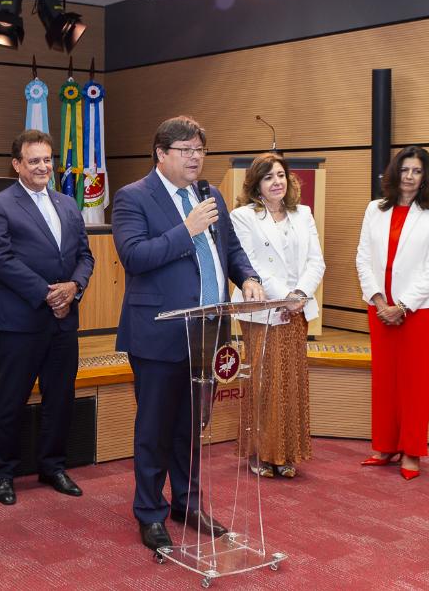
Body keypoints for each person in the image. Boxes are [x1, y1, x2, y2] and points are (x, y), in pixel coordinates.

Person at [111, 115, 264, 552]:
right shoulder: (133, 197)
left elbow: (230, 249)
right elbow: (134, 256)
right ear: (161, 153)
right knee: (155, 427)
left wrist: (247, 277)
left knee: (193, 426)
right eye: (186, 150)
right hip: (160, 332)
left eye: (200, 150)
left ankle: (187, 503)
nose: (195, 158)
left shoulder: (210, 194)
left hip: (209, 331)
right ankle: (149, 511)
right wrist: (187, 229)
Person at [0, 130, 95, 506]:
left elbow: (85, 256)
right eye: (34, 160)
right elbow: (2, 260)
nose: (43, 166)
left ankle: (53, 466)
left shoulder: (67, 203)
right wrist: (49, 294)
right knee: (11, 399)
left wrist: (74, 287)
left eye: (47, 159)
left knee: (60, 398)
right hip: (20, 321)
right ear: (17, 164)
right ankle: (2, 473)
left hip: (63, 320)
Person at [356, 146, 429, 481]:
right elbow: (363, 257)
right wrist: (379, 301)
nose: (410, 176)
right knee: (384, 380)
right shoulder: (375, 209)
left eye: (417, 171)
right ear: (395, 172)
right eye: (405, 169)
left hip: (418, 312)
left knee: (415, 383)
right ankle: (384, 446)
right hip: (380, 309)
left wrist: (403, 306)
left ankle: (411, 450)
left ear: (425, 177)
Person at [231, 153, 325, 479]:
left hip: (297, 308)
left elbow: (316, 261)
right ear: (256, 183)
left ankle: (285, 453)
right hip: (261, 310)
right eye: (269, 176)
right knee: (265, 381)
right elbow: (249, 263)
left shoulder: (303, 214)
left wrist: (299, 294)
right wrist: (285, 297)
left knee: (290, 381)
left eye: (281, 175)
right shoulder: (243, 216)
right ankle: (261, 452)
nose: (277, 182)